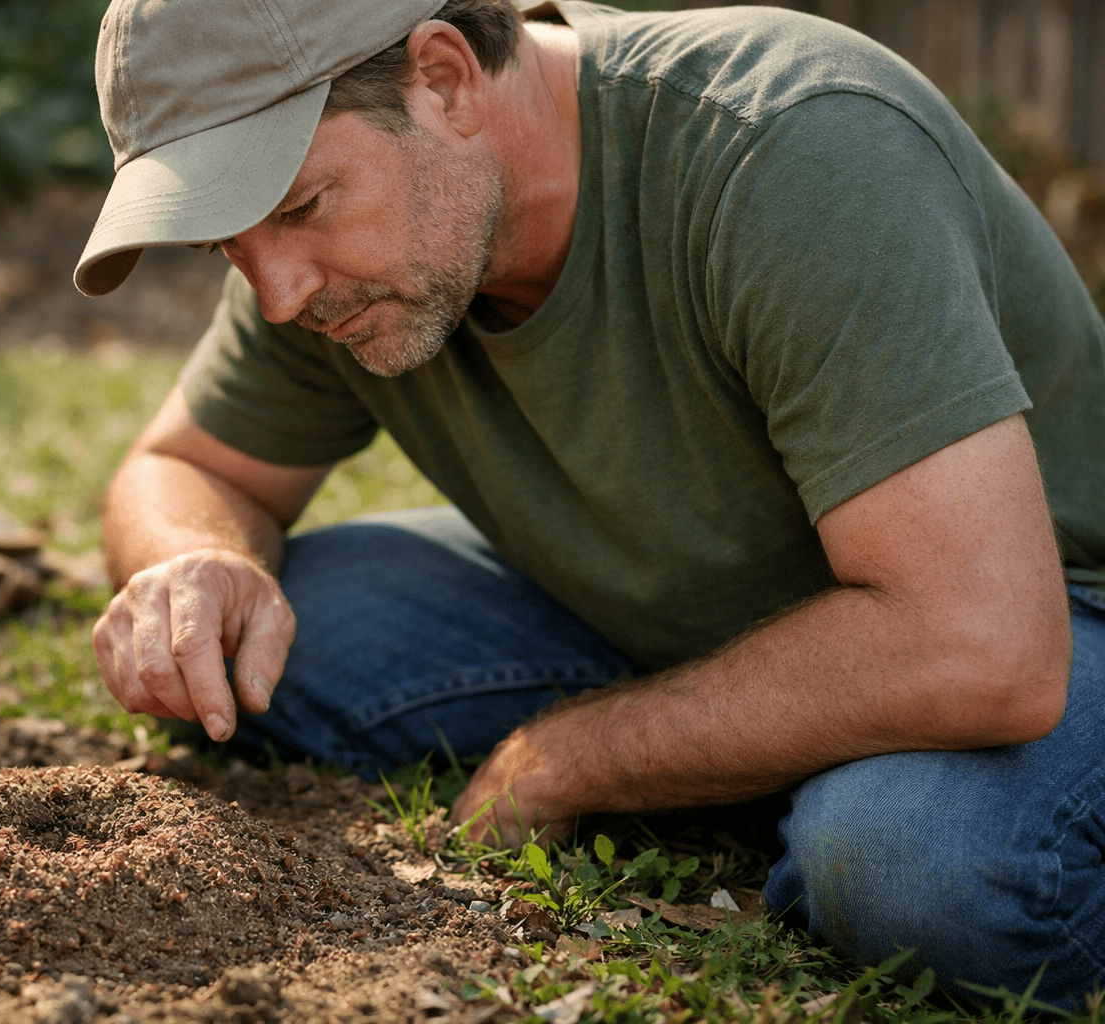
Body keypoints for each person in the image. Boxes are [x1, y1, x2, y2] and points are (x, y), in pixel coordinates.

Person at [75, 0, 1105, 1005]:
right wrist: (200, 560)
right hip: (685, 606)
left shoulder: (792, 143)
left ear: (443, 77)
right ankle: (755, 753)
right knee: (281, 640)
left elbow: (987, 644)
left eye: (301, 208)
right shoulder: (317, 257)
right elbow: (181, 468)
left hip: (1046, 610)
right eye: (228, 242)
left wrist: (574, 756)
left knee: (920, 867)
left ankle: (790, 779)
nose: (281, 294)